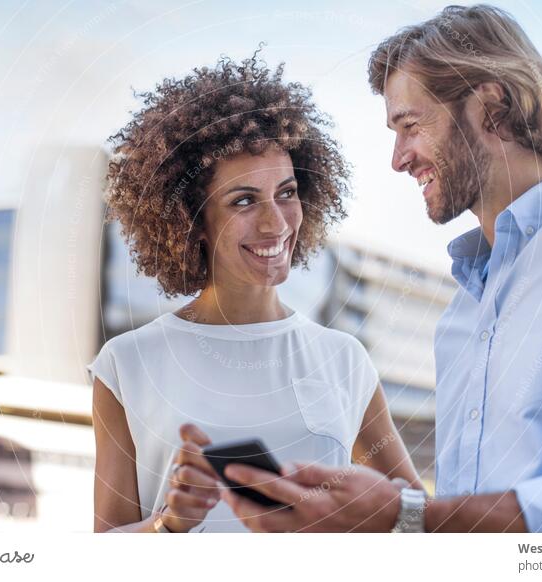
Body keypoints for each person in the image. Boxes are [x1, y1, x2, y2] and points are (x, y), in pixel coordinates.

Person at [222, 4, 542, 532]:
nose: (399, 158)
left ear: (490, 106)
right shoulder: (461, 316)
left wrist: (412, 516)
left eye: (410, 125)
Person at [87, 52, 423, 533]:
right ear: (193, 222)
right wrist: (169, 525)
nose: (275, 222)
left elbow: (418, 523)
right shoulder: (126, 363)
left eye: (286, 193)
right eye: (243, 200)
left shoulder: (344, 359)